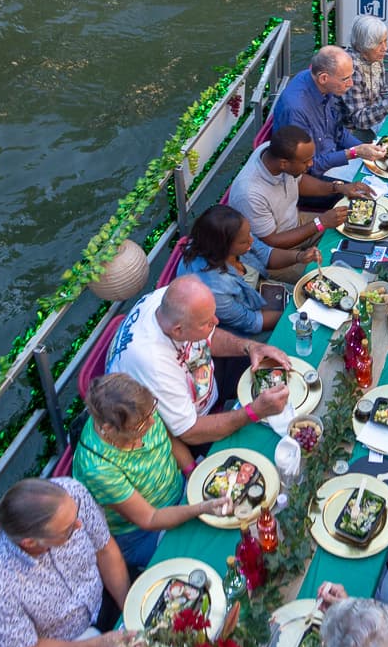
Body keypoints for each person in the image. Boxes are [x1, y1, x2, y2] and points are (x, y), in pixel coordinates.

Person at [0, 478, 144, 647]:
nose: (79, 525)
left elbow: (105, 549)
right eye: (68, 530)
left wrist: (130, 612)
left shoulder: (70, 495)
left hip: (108, 594)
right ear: (29, 542)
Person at [104, 275, 291, 445]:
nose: (217, 322)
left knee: (273, 368)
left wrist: (250, 347)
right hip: (189, 427)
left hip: (204, 374)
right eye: (207, 322)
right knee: (260, 442)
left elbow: (209, 335)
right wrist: (252, 412)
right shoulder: (153, 363)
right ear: (178, 330)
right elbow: (189, 431)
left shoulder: (168, 300)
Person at [73, 374, 233, 571]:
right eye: (140, 425)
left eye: (152, 411)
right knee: (211, 555)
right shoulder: (97, 469)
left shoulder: (141, 410)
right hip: (145, 533)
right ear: (108, 429)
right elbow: (150, 518)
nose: (151, 423)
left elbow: (169, 440)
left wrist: (193, 473)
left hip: (181, 490)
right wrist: (200, 508)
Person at [226, 124, 368, 256]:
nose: (311, 164)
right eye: (306, 161)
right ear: (284, 164)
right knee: (332, 269)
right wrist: (321, 223)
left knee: (355, 231)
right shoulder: (249, 194)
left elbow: (299, 181)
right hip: (275, 252)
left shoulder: (272, 152)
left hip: (296, 222)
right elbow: (271, 241)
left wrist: (338, 188)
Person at [271, 46, 388, 181]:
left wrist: (363, 148)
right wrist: (354, 152)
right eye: (345, 79)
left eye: (352, 76)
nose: (351, 84)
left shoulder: (320, 85)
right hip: (313, 175)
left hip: (332, 154)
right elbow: (310, 167)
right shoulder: (296, 110)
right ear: (323, 78)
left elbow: (338, 131)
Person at [178, 204, 287, 337]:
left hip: (261, 291)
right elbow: (251, 322)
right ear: (222, 247)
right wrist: (296, 313)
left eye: (249, 234)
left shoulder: (229, 233)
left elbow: (265, 253)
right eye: (243, 241)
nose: (251, 240)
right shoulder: (214, 289)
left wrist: (300, 256)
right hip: (241, 332)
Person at [339, 14, 388, 136]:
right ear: (363, 47)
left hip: (375, 112)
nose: (385, 48)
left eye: (385, 41)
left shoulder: (374, 55)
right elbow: (360, 121)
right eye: (379, 43)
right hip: (354, 130)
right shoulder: (351, 70)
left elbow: (383, 90)